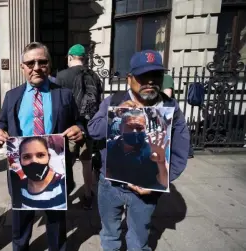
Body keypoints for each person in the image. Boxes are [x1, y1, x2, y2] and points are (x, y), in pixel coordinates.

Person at [88, 50, 189, 251]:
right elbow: (92, 130)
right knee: (109, 236)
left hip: (146, 190)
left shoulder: (170, 107)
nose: (150, 81)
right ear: (130, 79)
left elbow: (181, 147)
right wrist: (117, 115)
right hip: (111, 186)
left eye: (156, 76)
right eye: (143, 76)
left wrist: (163, 180)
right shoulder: (114, 101)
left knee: (139, 241)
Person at [0, 42, 84, 251]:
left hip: (55, 168)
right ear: (22, 67)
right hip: (21, 170)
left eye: (42, 62)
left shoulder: (64, 94)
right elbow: (1, 123)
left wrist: (79, 130)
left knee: (56, 221)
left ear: (49, 66)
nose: (36, 67)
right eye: (30, 63)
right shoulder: (12, 96)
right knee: (21, 221)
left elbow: (78, 122)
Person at [55, 44, 102, 210]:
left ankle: (63, 197)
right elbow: (99, 103)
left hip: (67, 129)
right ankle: (88, 195)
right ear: (84, 59)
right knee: (87, 162)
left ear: (69, 57)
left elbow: (57, 103)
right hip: (88, 128)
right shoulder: (94, 76)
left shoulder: (61, 76)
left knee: (64, 165)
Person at [106, 108, 169, 190]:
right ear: (120, 128)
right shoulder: (110, 147)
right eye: (130, 127)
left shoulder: (153, 151)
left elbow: (164, 183)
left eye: (139, 128)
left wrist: (161, 163)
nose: (135, 131)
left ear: (145, 129)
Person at [10, 136, 66, 210]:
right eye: (27, 157)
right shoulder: (19, 187)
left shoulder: (62, 184)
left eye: (40, 155)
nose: (34, 161)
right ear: (20, 160)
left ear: (48, 157)